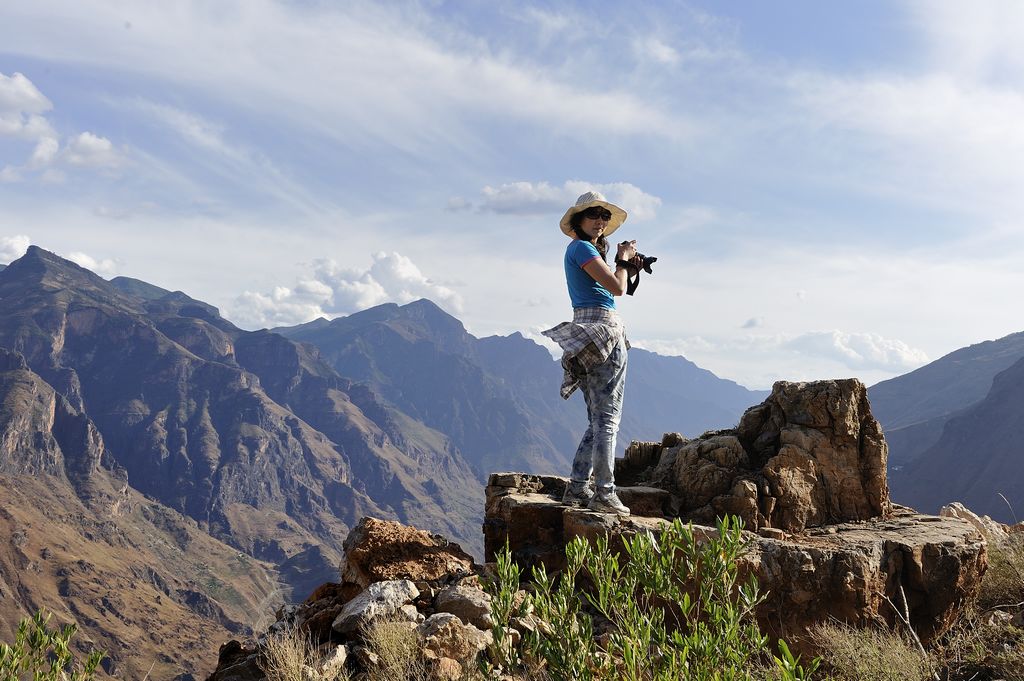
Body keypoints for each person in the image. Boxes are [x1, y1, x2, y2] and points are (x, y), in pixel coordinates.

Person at [542, 191, 640, 516]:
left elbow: (611, 283)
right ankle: (604, 493)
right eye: (594, 214)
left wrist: (625, 266)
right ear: (578, 220)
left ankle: (577, 487)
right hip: (602, 331)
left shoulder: (576, 250)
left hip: (584, 331)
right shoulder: (582, 248)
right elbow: (617, 288)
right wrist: (624, 261)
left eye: (604, 216)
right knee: (608, 418)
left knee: (596, 419)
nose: (600, 221)